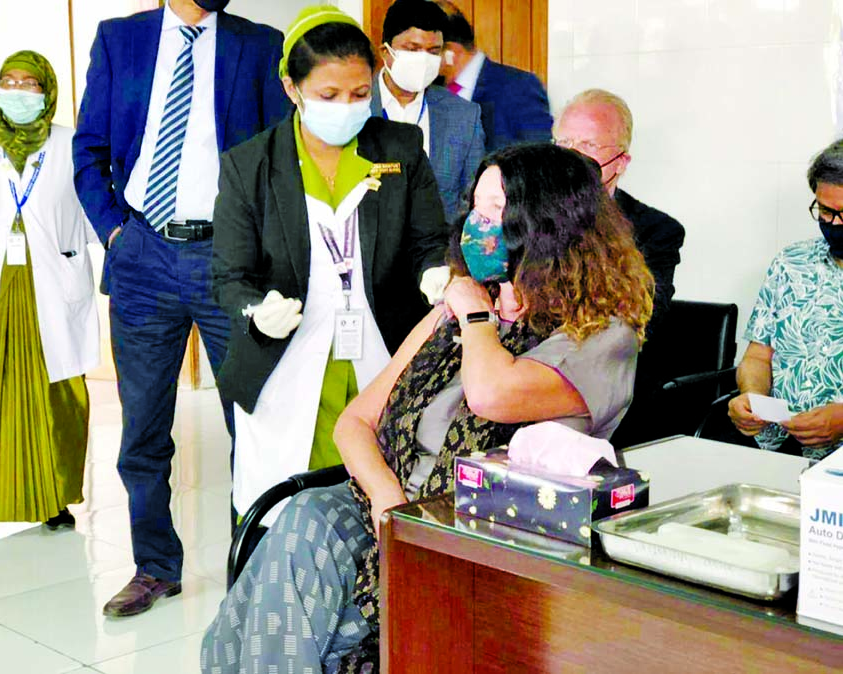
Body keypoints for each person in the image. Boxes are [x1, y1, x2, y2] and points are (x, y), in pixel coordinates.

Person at [201, 142, 654, 672]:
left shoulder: (600, 337)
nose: (476, 225)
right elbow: (356, 422)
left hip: (485, 543)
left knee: (294, 577)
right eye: (476, 207)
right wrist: (387, 503)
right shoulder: (458, 305)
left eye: (495, 209)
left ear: (544, 225)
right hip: (389, 510)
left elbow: (491, 394)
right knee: (303, 525)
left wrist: (477, 318)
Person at [72, 0, 290, 617]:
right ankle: (154, 567)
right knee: (141, 428)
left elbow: (280, 157)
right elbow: (89, 150)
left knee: (249, 422)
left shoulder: (259, 43)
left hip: (229, 257)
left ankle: (250, 570)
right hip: (142, 253)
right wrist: (116, 231)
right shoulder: (121, 39)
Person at [211, 6, 449, 532]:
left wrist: (434, 270)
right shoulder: (249, 164)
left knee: (381, 500)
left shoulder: (400, 148)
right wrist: (257, 310)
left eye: (360, 94)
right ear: (291, 89)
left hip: (381, 348)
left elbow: (429, 240)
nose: (347, 107)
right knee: (283, 512)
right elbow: (229, 277)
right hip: (287, 358)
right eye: (328, 96)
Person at [0, 51, 99, 545]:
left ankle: (55, 500)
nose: (16, 91)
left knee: (59, 394)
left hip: (52, 287)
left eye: (28, 83)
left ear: (47, 91)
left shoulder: (71, 144)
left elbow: (95, 207)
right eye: (7, 81)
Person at [554, 89, 685, 446]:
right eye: (563, 142)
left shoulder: (656, 230)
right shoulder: (526, 215)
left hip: (606, 386)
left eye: (588, 145)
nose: (572, 156)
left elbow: (644, 319)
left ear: (621, 162)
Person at [729, 139, 843, 461]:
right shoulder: (790, 263)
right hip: (780, 449)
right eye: (824, 211)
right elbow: (757, 358)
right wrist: (751, 398)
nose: (833, 224)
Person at [370, 0, 485, 225]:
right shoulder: (356, 106)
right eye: (412, 49)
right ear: (386, 51)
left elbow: (473, 202)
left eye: (433, 51)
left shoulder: (463, 117)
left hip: (438, 254)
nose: (423, 59)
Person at [434, 0, 552, 151]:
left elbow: (540, 156)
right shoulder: (432, 92)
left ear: (451, 51)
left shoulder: (520, 88)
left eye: (430, 50)